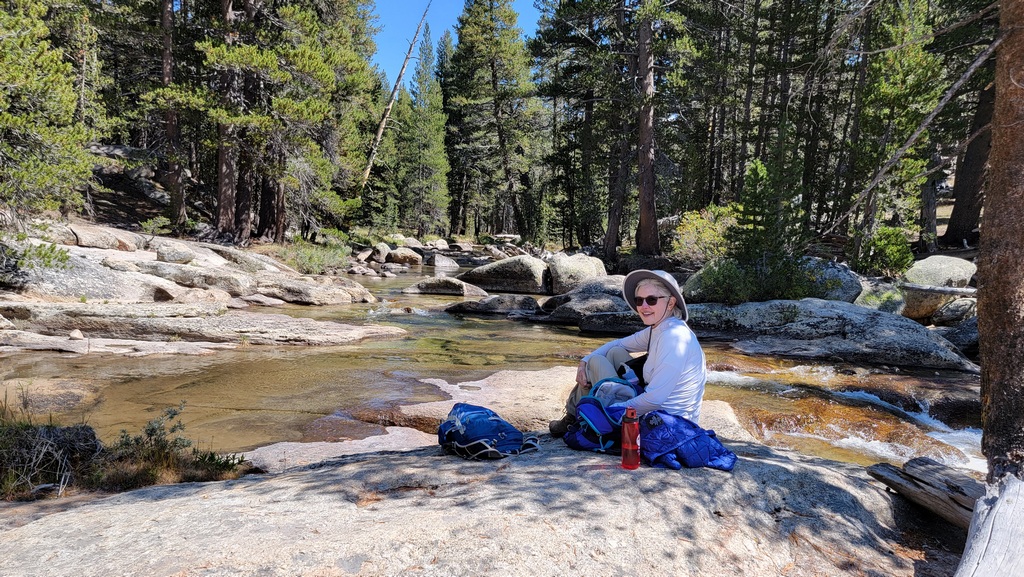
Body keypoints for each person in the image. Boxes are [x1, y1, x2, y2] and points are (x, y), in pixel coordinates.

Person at [549, 269, 707, 437]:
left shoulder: (673, 338)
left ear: (670, 303)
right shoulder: (662, 328)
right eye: (639, 300)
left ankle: (573, 417)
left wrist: (613, 409)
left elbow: (654, 399)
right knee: (615, 353)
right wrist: (583, 361)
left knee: (597, 362)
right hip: (657, 414)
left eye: (652, 300)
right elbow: (618, 344)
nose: (644, 306)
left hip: (661, 426)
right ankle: (578, 416)